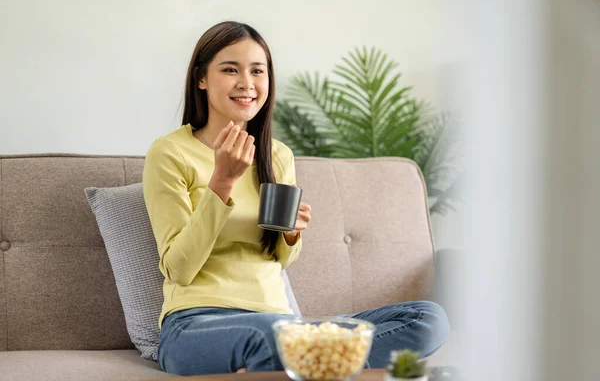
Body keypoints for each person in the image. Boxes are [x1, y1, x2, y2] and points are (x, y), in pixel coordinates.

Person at [142, 21, 450, 376]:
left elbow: (279, 258)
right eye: (230, 70)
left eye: (257, 71)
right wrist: (221, 183)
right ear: (201, 78)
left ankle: (296, 362)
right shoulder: (171, 153)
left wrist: (290, 234)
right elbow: (179, 269)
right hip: (195, 324)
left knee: (428, 318)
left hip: (280, 320)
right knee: (275, 338)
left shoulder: (276, 156)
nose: (246, 83)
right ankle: (304, 359)